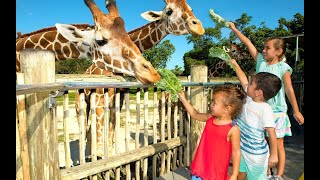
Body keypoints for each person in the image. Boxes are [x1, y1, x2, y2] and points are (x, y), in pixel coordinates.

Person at [229, 22, 304, 180]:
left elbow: (289, 90)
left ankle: (279, 174)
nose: (263, 50)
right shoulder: (260, 62)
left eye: (267, 48)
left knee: (278, 145)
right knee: (261, 143)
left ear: (279, 51)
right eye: (263, 47)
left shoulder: (283, 68)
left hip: (276, 113)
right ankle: (266, 172)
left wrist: (296, 110)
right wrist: (235, 29)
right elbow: (248, 43)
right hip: (258, 109)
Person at [178, 84, 246, 180]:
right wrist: (183, 99)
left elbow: (236, 152)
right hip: (201, 166)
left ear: (227, 109)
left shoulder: (233, 129)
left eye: (214, 103)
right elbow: (195, 114)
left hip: (216, 172)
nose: (211, 104)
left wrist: (234, 174)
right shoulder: (210, 118)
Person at [228, 59, 280, 180]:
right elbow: (243, 79)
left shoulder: (265, 109)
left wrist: (274, 155)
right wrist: (235, 64)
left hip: (256, 156)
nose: (248, 85)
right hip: (242, 149)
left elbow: (271, 133)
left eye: (251, 84)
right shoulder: (250, 98)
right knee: (239, 173)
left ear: (258, 93)